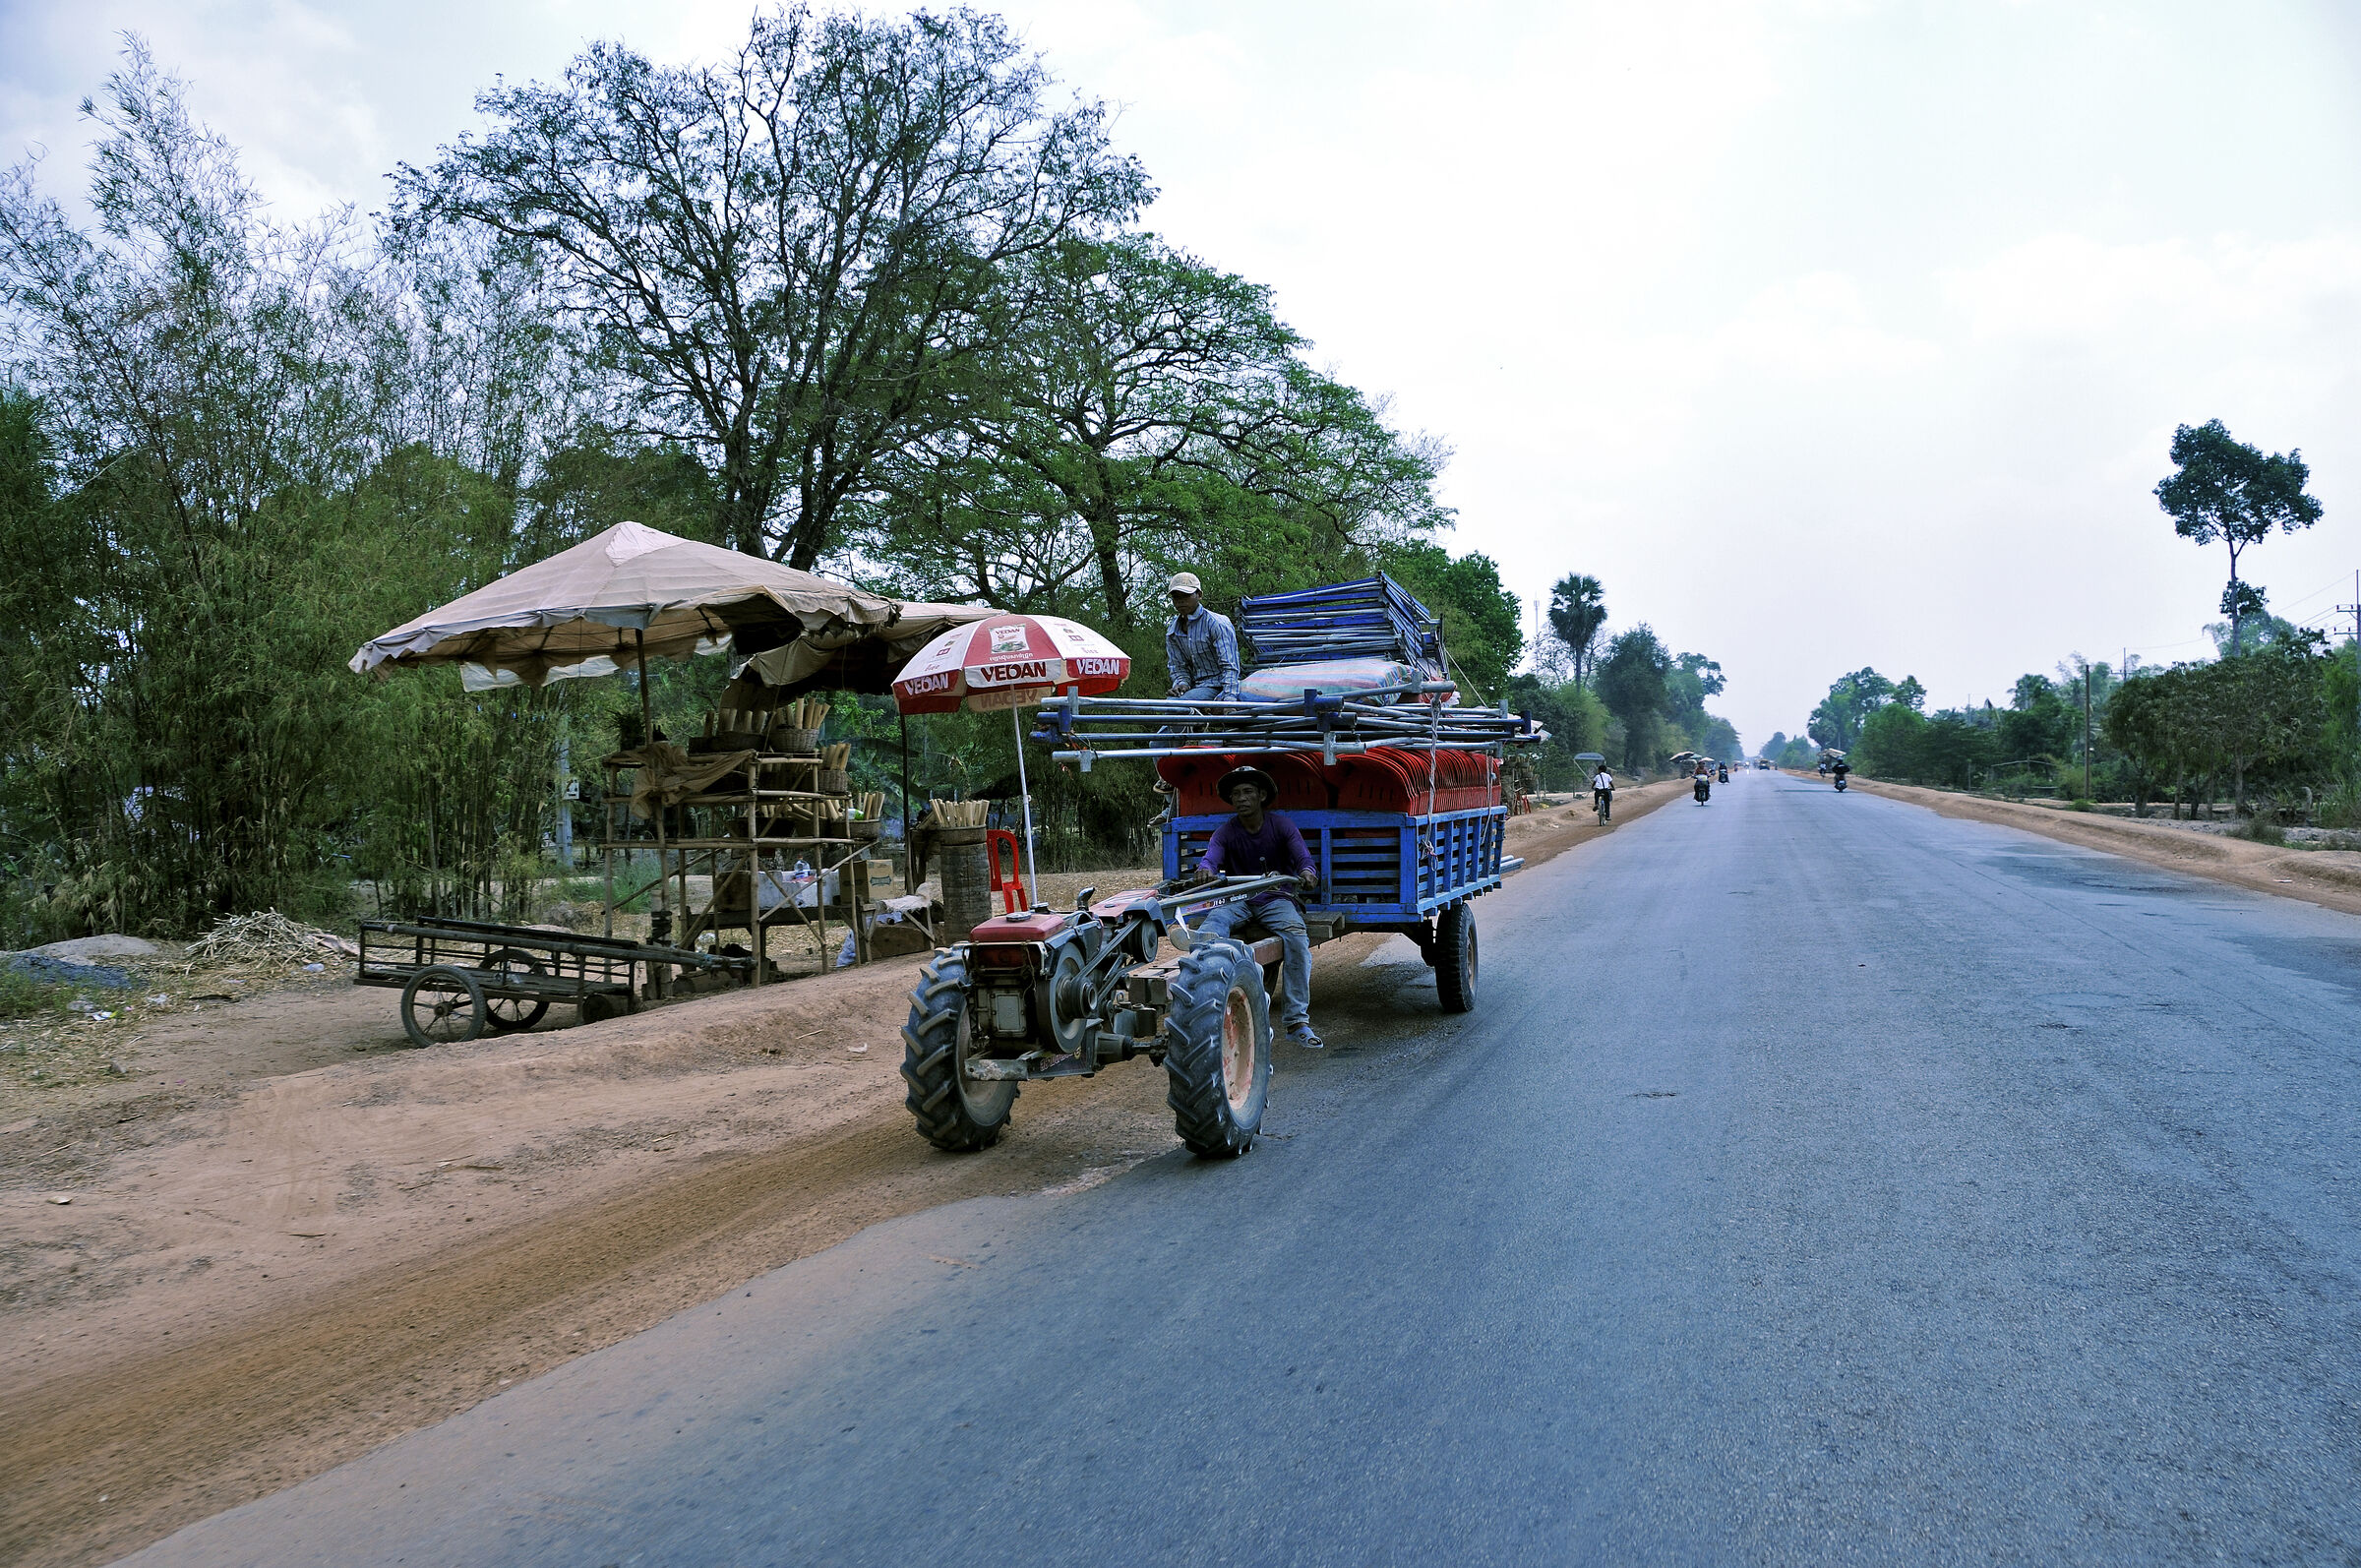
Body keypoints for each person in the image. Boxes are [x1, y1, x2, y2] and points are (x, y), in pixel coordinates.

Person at [1190, 765, 1322, 1048]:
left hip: (1277, 898)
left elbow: (1304, 860)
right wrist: (1205, 869)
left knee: (1297, 940)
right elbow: (1210, 858)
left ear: (1262, 795)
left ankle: (1297, 1020)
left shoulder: (1282, 826)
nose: (1242, 798)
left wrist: (1308, 873)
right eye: (1236, 794)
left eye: (1248, 792)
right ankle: (1208, 1008)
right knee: (1209, 933)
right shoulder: (1226, 832)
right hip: (1238, 899)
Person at [1165, 573, 1241, 704]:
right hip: (1194, 688)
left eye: (1186, 595)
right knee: (1170, 703)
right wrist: (1182, 684)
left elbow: (1229, 666)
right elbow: (1177, 667)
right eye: (1176, 597)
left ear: (1199, 595)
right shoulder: (1173, 632)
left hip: (1217, 686)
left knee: (1178, 705)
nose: (1181, 601)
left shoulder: (1216, 623)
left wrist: (1229, 699)